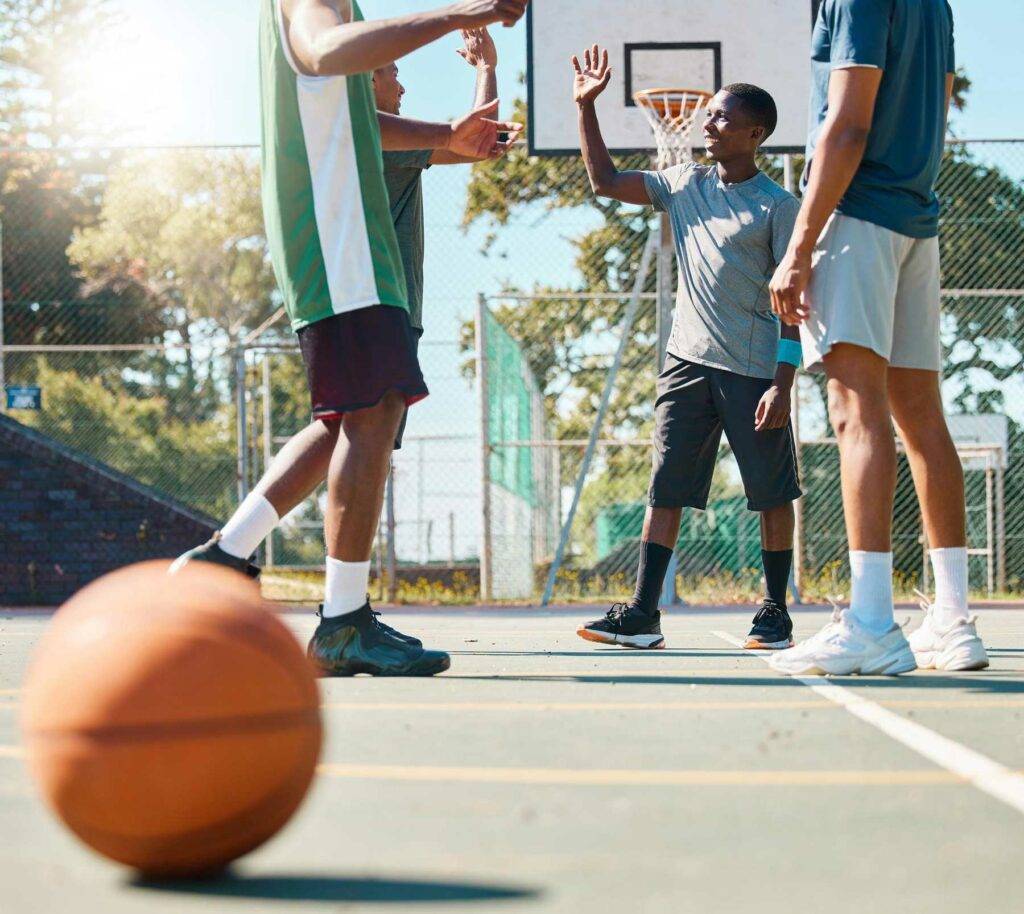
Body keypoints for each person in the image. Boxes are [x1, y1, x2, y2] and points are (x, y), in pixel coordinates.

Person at [172, 0, 525, 678]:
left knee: (355, 416)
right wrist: (461, 14)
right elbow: (327, 52)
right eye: (387, 69)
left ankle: (232, 558)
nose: (393, 76)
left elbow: (361, 114)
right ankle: (340, 621)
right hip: (343, 242)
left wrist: (450, 129)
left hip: (344, 245)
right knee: (370, 413)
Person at [768, 0, 988, 674]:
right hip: (915, 220)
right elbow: (939, 108)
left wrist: (800, 246)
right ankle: (952, 620)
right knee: (921, 417)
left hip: (857, 216)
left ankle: (869, 623)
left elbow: (848, 125)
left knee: (855, 410)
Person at [570, 46, 803, 651]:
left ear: (756, 133)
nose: (709, 122)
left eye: (723, 118)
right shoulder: (684, 184)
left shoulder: (778, 207)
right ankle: (645, 613)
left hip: (754, 371)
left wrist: (784, 381)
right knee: (664, 488)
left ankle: (775, 611)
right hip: (685, 364)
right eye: (710, 114)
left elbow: (793, 304)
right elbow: (603, 181)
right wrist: (586, 108)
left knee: (771, 494)